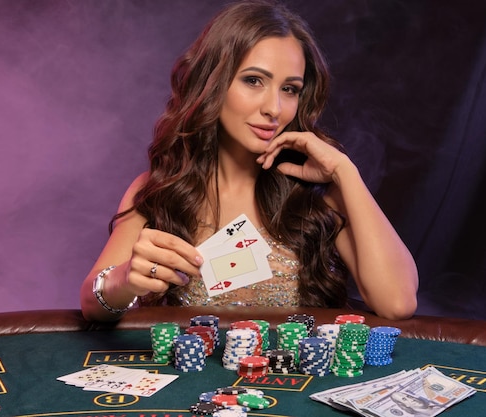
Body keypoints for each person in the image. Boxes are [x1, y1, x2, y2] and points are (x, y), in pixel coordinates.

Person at [80, 0, 418, 322]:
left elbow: (398, 303)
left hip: (297, 382)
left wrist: (346, 172)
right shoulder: (163, 189)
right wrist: (125, 280)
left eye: (290, 89)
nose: (274, 108)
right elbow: (90, 305)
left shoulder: (319, 196)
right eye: (254, 80)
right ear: (213, 82)